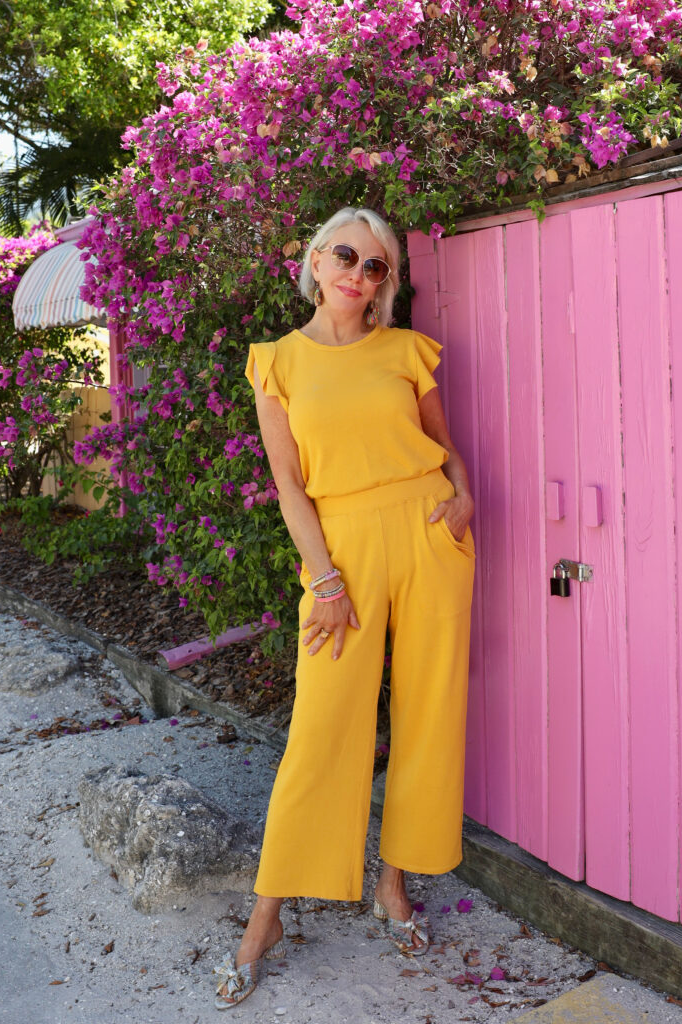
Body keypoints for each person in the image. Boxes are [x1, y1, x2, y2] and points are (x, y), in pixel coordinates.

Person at [213, 207, 476, 1009]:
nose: (360, 274)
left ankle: (391, 881)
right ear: (315, 260)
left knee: (429, 711)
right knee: (323, 724)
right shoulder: (278, 362)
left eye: (379, 266)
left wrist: (465, 496)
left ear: (388, 281)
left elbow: (443, 441)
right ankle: (269, 911)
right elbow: (290, 485)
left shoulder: (406, 351)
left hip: (429, 533)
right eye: (348, 257)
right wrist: (324, 580)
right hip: (340, 551)